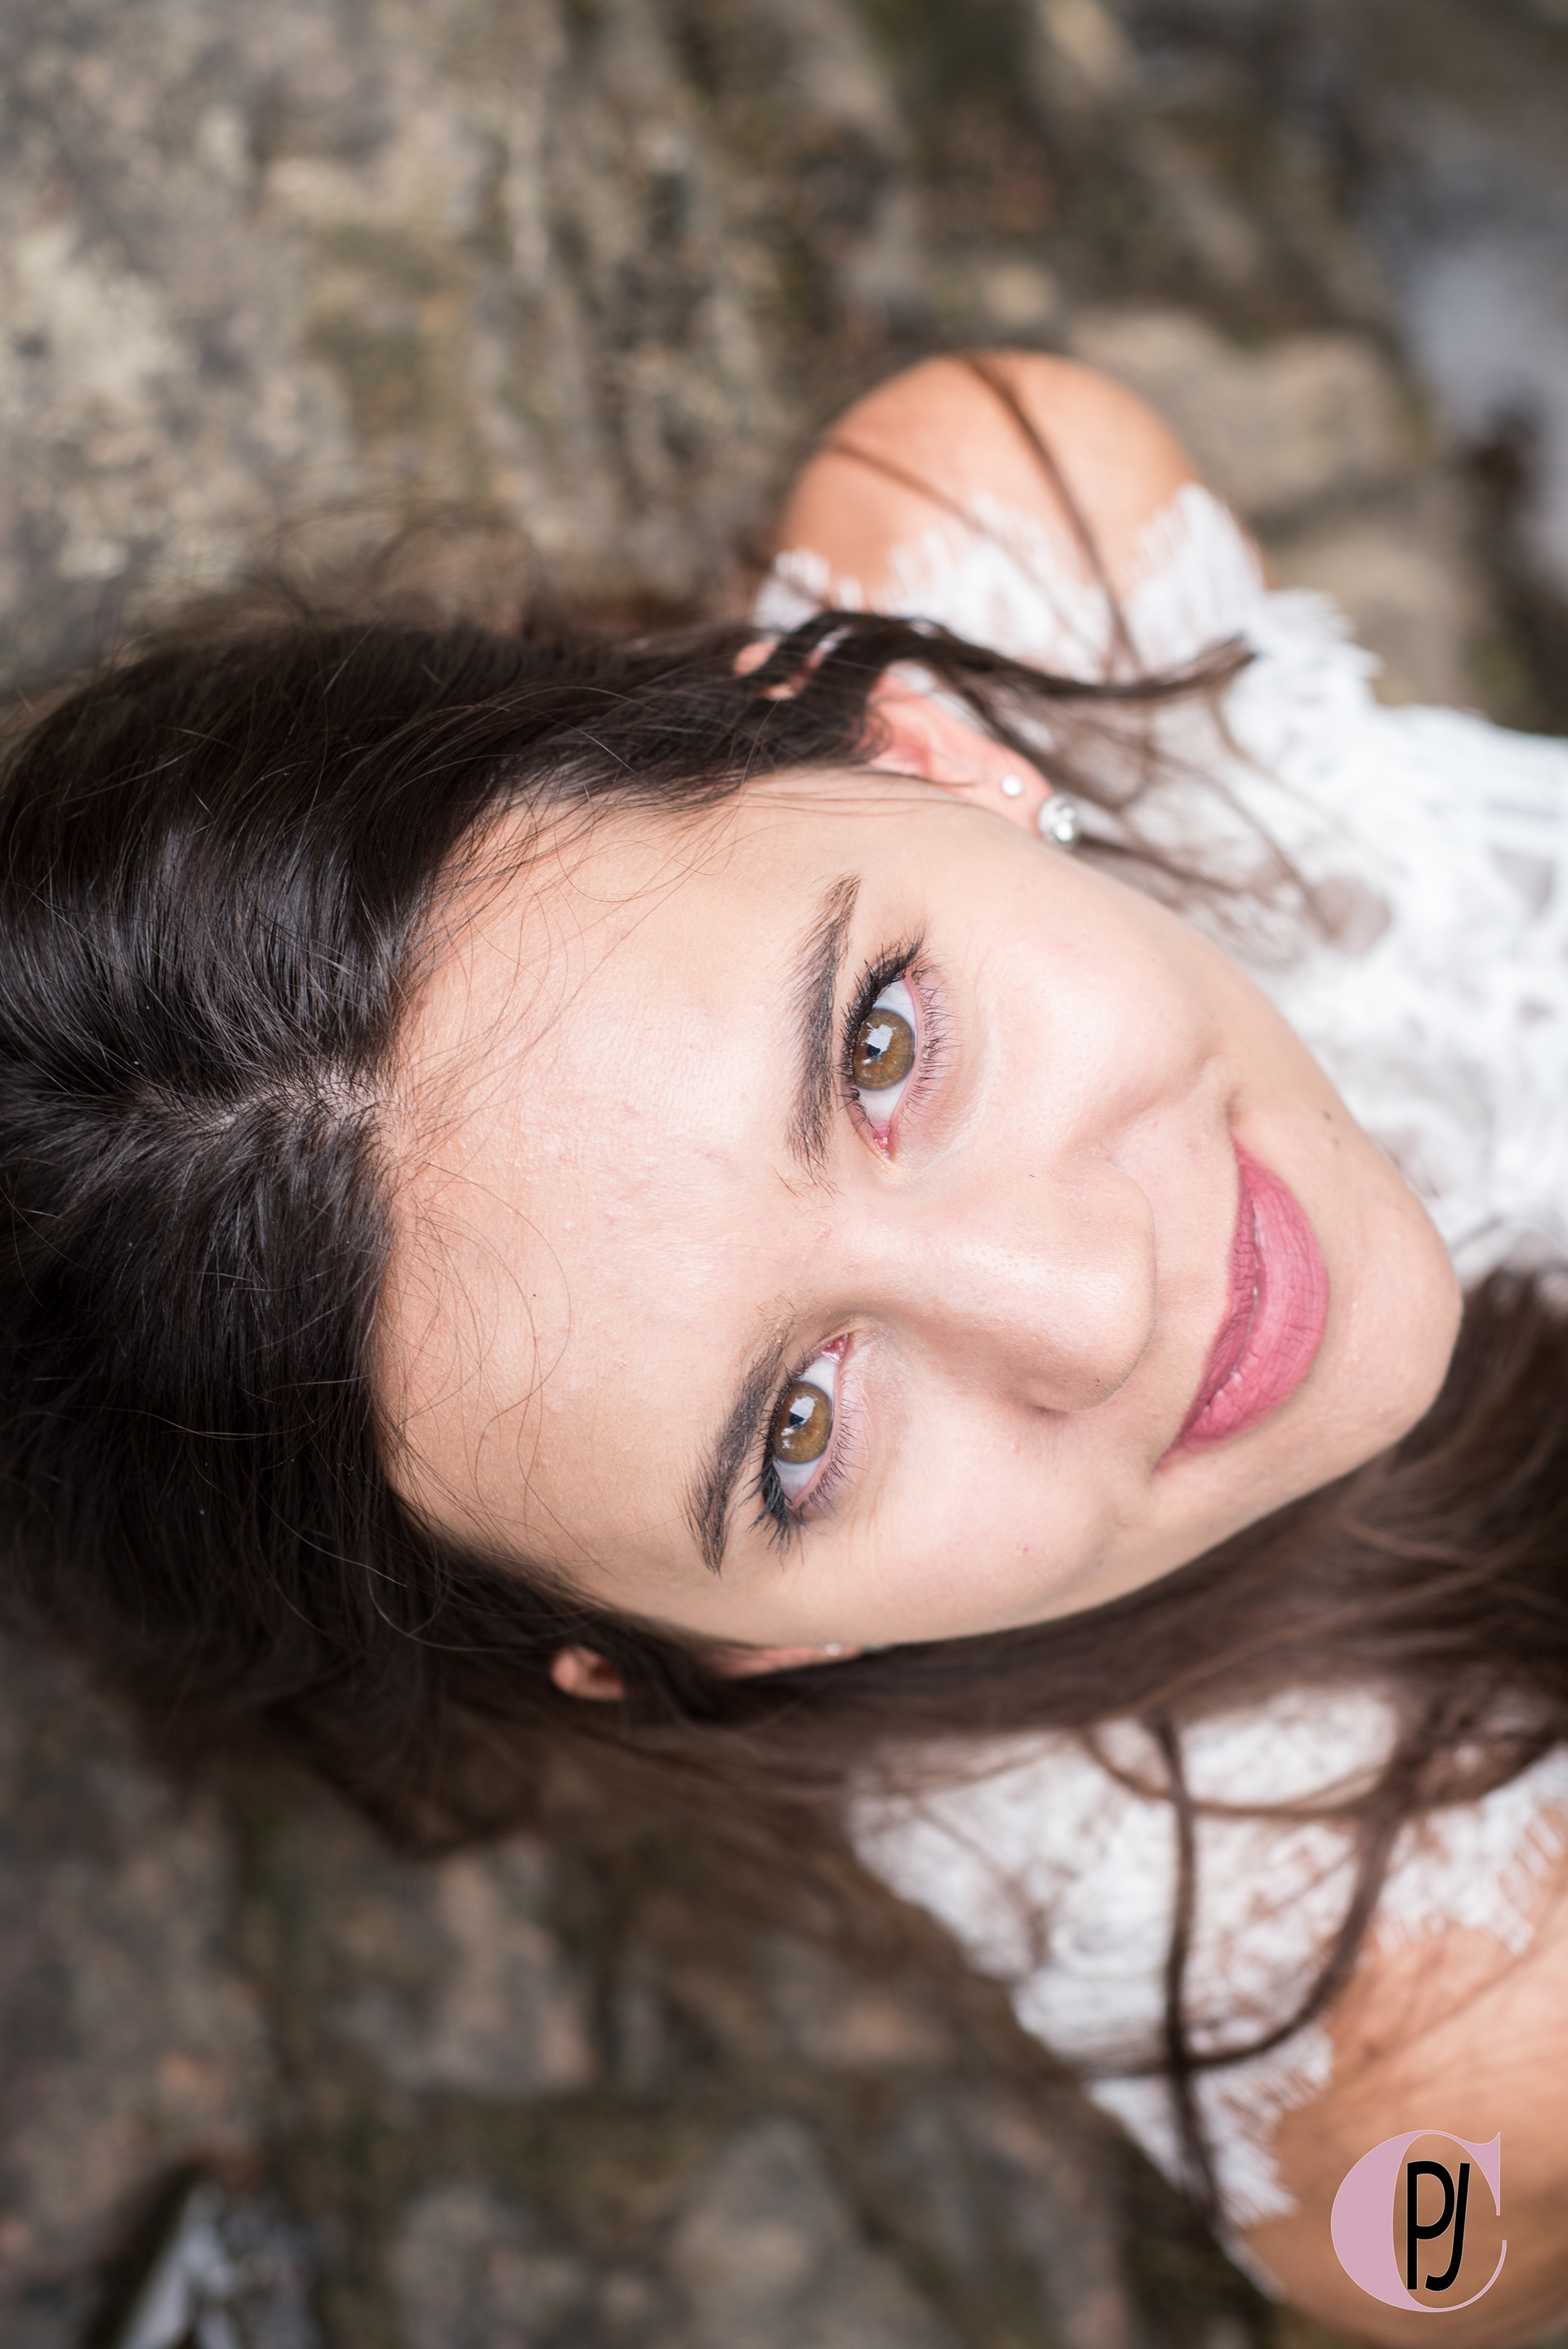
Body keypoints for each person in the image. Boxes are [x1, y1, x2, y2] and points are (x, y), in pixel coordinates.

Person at [3, 347, 1567, 2341]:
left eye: (883, 1042)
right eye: (804, 1431)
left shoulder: (1009, 512)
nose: (1098, 1306)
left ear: (913, 738)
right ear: (727, 1647)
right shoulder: (1437, 2073)